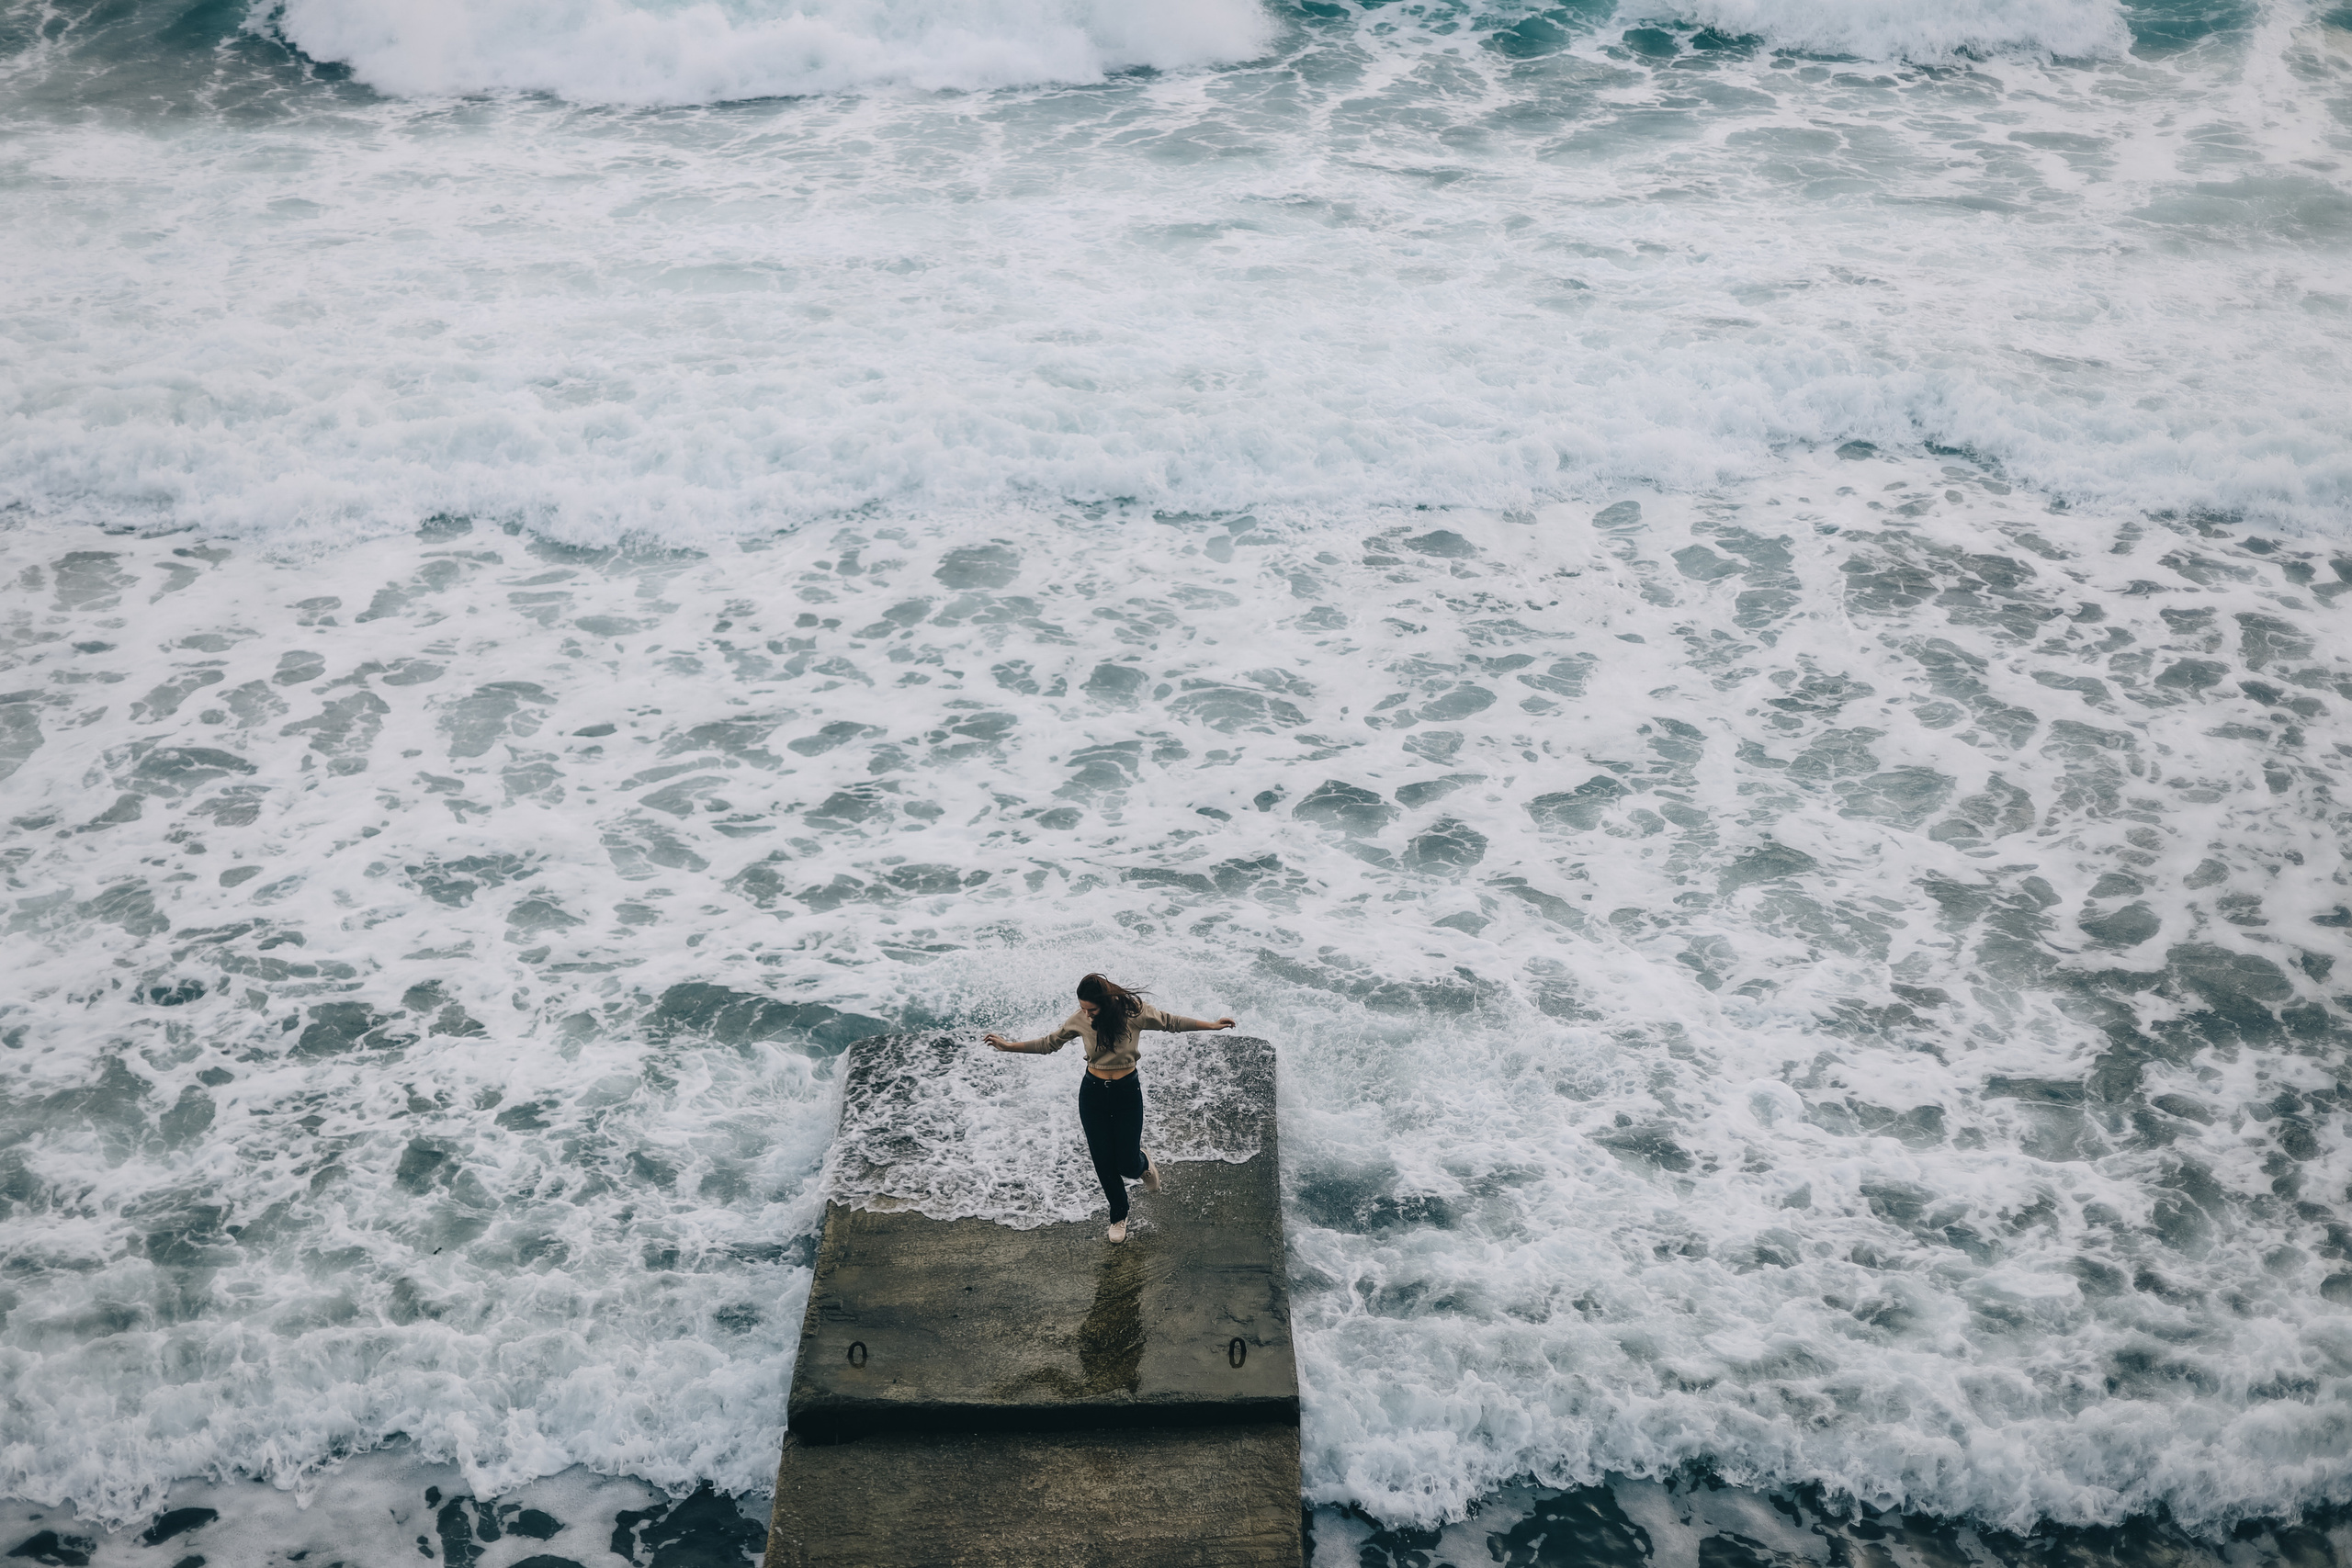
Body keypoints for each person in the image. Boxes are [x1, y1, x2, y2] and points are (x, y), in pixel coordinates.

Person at [984, 974, 1236, 1243]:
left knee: (1127, 1163)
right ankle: (1119, 1216)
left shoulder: (1133, 1013)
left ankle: (1143, 1164)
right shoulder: (1079, 1020)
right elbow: (1049, 1043)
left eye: (1091, 1009)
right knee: (1103, 1160)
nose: (1086, 1014)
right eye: (1083, 1008)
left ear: (1106, 1002)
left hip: (1127, 1092)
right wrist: (1009, 1046)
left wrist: (1211, 1025)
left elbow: (1170, 1022)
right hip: (1092, 1094)